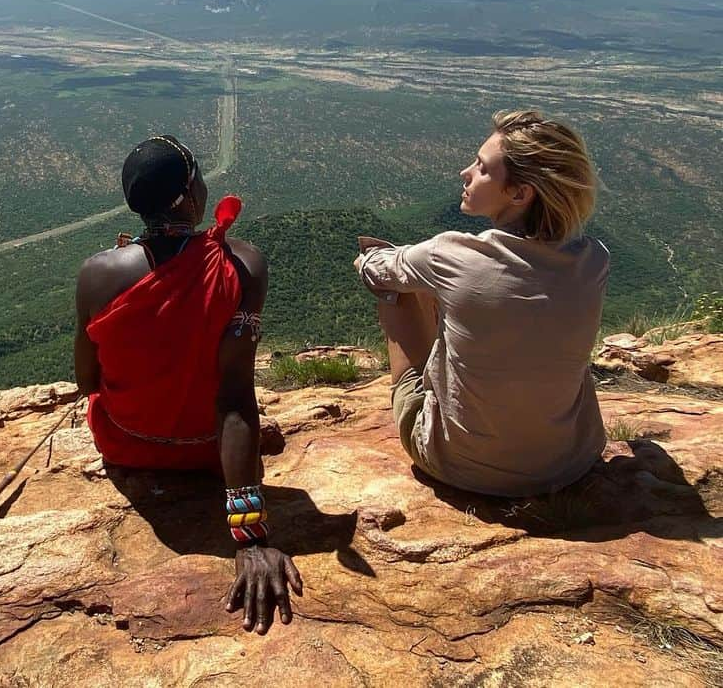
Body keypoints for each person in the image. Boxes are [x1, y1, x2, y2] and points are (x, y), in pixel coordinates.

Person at [74, 134, 302, 634]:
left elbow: (86, 379)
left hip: (125, 445)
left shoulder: (96, 273)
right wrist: (252, 538)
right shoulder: (243, 265)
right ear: (189, 197)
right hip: (209, 454)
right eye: (199, 176)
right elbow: (237, 399)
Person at [354, 110, 609, 497]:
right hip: (568, 462)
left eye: (482, 168)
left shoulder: (451, 255)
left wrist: (373, 256)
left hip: (457, 467)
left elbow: (376, 271)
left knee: (402, 287)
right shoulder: (594, 260)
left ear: (521, 194)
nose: (465, 172)